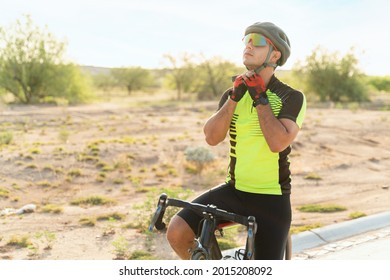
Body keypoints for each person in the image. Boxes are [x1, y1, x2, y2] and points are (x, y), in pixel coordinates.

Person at [166, 22, 306, 260]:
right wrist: (234, 98)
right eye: (247, 40)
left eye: (258, 41)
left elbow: (277, 143)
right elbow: (211, 137)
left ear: (275, 54)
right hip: (234, 191)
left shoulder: (291, 97)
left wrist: (259, 97)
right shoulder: (233, 92)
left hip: (271, 199)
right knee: (177, 231)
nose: (249, 45)